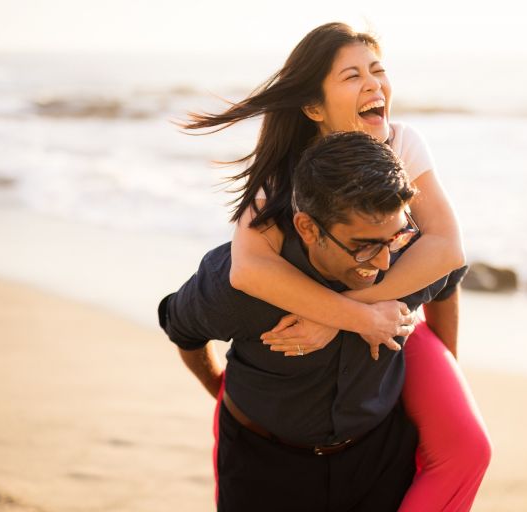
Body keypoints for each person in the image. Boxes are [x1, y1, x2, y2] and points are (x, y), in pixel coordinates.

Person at [183, 22, 491, 511]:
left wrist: (344, 315)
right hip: (331, 340)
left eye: (378, 70)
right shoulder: (284, 174)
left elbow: (447, 251)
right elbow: (249, 271)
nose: (373, 84)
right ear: (312, 107)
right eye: (352, 76)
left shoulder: (402, 142)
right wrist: (351, 317)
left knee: (468, 448)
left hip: (394, 318)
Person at [160, 131, 467, 511]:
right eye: (364, 245)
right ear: (307, 228)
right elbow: (181, 327)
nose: (385, 262)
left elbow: (448, 279)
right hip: (263, 466)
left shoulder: (412, 256)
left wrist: (444, 369)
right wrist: (219, 388)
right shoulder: (239, 287)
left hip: (379, 458)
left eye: (395, 238)